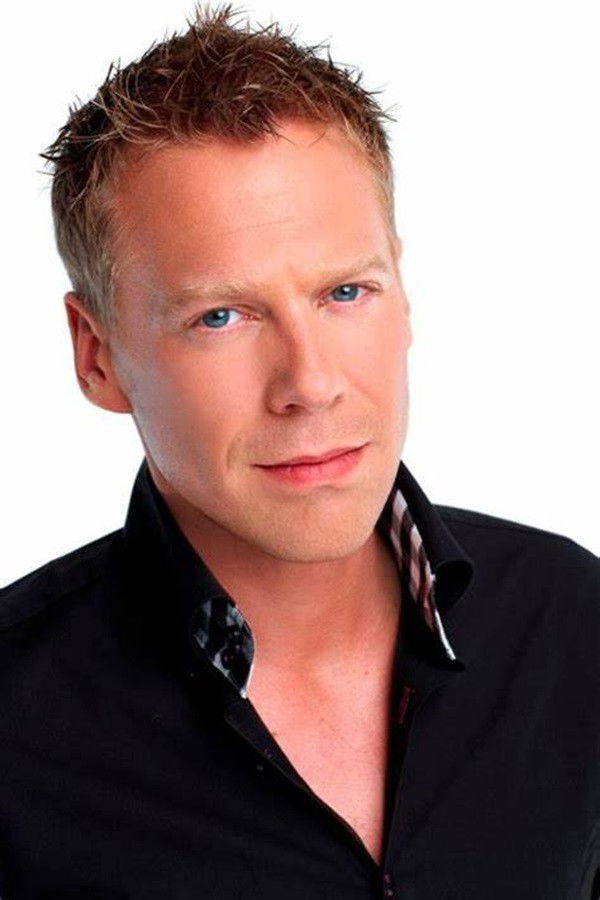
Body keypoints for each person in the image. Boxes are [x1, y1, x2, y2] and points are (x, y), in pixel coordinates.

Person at [0, 4, 598, 898]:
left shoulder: (572, 622)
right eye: (221, 316)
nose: (310, 383)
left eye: (345, 292)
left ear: (403, 294)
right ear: (97, 355)